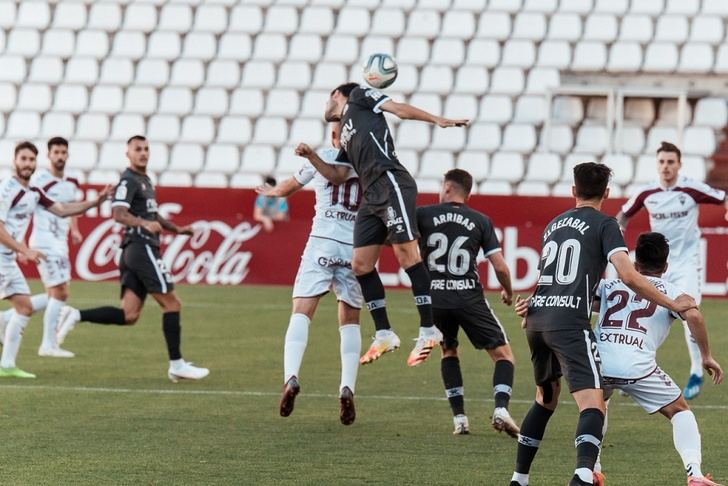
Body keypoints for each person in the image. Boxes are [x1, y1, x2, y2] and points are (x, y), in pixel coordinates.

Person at [510, 162, 696, 486]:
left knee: (545, 399)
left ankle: (519, 479)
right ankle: (583, 476)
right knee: (593, 404)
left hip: (537, 319)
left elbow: (549, 278)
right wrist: (670, 302)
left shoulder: (553, 225)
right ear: (607, 194)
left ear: (573, 191)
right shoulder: (606, 224)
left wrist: (533, 302)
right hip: (568, 323)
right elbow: (627, 274)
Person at [302, 82, 468, 367]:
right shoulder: (344, 134)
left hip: (391, 182)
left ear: (338, 95)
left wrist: (436, 119)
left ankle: (429, 330)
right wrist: (312, 157)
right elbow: (339, 176)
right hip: (371, 194)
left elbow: (399, 110)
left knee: (407, 255)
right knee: (361, 265)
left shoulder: (358, 96)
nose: (325, 106)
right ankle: (384, 333)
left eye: (328, 98)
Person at [56, 136, 209, 383]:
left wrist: (176, 229)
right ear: (127, 153)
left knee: (129, 315)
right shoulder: (128, 180)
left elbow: (152, 213)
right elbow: (118, 213)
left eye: (146, 149)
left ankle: (75, 315)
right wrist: (143, 223)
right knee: (173, 304)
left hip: (133, 251)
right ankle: (177, 364)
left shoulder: (145, 180)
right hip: (141, 248)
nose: (143, 153)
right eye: (138, 149)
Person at [592, 232, 723, 486]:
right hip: (637, 368)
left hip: (599, 363)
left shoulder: (610, 285)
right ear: (665, 267)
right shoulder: (673, 293)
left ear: (634, 262)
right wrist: (706, 356)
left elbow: (578, 300)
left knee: (596, 405)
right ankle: (694, 474)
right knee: (680, 411)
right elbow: (694, 317)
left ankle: (592, 470)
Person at [257, 123, 362, 425]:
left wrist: (271, 191)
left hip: (322, 242)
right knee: (350, 319)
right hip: (354, 247)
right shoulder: (369, 161)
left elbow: (288, 188)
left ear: (334, 136)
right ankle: (347, 386)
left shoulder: (325, 155)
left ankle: (291, 377)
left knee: (302, 312)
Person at [617, 141, 728, 400]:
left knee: (689, 314)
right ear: (657, 164)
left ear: (679, 165)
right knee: (641, 314)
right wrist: (614, 237)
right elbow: (622, 216)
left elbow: (723, 198)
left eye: (671, 162)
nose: (666, 167)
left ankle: (696, 372)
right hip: (656, 265)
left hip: (687, 262)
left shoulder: (691, 188)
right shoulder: (647, 193)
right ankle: (631, 371)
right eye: (662, 162)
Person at [416, 169, 519, 436]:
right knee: (504, 356)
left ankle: (460, 419)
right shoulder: (480, 220)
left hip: (434, 299)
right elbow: (501, 267)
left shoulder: (424, 215)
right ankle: (500, 408)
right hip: (468, 297)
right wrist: (507, 291)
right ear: (468, 192)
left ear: (448, 188)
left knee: (448, 351)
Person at [0, 141, 109, 378]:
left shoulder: (33, 192)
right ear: (15, 161)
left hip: (7, 259)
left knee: (25, 307)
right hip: (2, 259)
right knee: (27, 306)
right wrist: (24, 249)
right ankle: (10, 358)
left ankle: (6, 362)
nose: (27, 164)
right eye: (23, 159)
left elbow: (62, 209)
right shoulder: (7, 189)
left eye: (31, 160)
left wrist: (96, 202)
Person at [28, 137, 84, 357]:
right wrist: (23, 245)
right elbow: (29, 207)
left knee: (53, 293)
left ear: (67, 155)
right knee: (61, 292)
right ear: (49, 155)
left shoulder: (72, 182)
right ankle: (48, 344)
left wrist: (76, 229)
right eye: (56, 152)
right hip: (45, 241)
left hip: (60, 242)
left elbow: (69, 209)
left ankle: (8, 318)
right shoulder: (40, 179)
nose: (60, 156)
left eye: (63, 152)